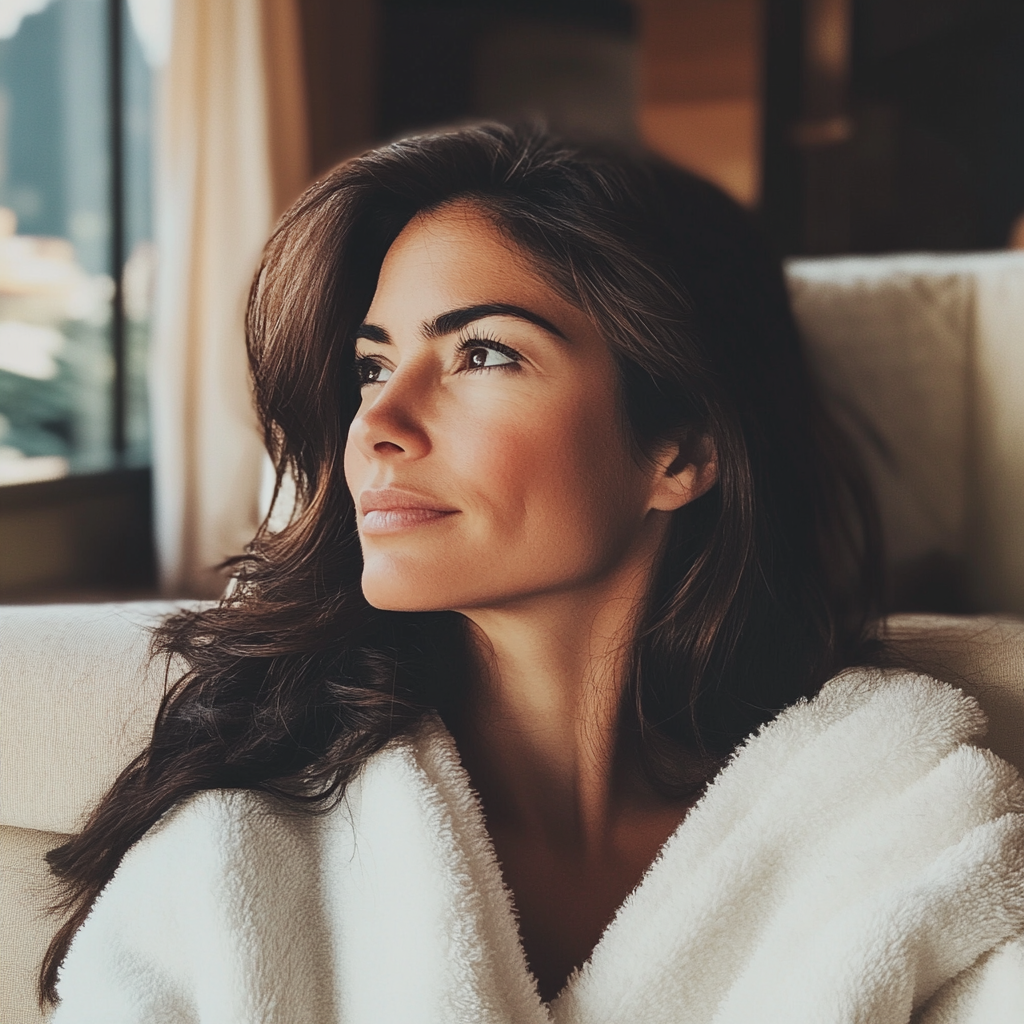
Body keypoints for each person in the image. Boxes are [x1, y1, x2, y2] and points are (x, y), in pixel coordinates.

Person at [42, 124, 1024, 1022]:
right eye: (373, 367)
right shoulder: (238, 852)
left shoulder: (894, 818)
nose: (378, 426)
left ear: (678, 451)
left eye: (481, 353)